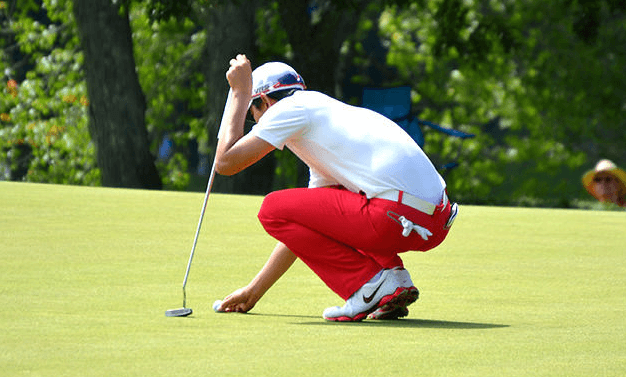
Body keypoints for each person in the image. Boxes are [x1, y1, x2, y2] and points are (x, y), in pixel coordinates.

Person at [213, 54, 458, 321]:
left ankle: (367, 286)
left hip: (397, 216)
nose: (257, 124)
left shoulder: (289, 109)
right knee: (325, 208)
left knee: (271, 209)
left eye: (253, 113)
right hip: (433, 223)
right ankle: (394, 282)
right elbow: (307, 229)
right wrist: (254, 291)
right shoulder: (320, 118)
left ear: (266, 102)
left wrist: (239, 93)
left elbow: (225, 163)